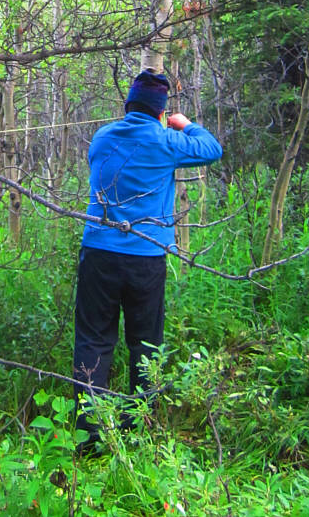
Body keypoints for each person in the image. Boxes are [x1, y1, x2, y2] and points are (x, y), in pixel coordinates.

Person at [73, 70, 222, 438]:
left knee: (94, 339)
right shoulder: (167, 140)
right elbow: (212, 149)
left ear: (127, 105)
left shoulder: (101, 137)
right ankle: (137, 425)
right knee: (144, 341)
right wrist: (184, 124)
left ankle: (89, 432)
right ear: (161, 111)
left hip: (98, 253)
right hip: (146, 257)